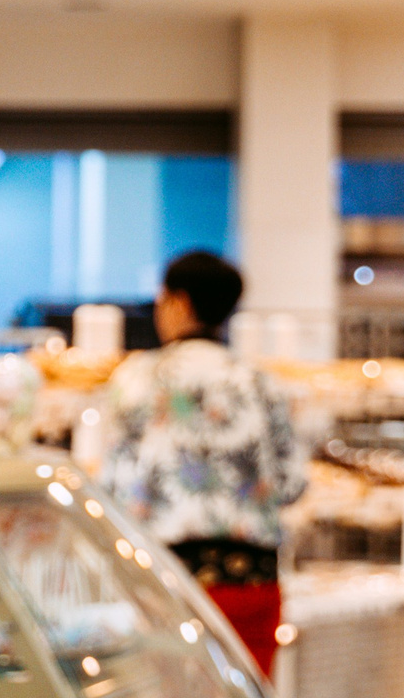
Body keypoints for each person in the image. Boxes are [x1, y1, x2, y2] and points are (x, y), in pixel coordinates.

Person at [99, 250, 306, 674]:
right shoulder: (259, 381)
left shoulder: (138, 378)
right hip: (253, 581)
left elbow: (113, 483)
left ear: (179, 301)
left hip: (166, 580)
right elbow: (291, 483)